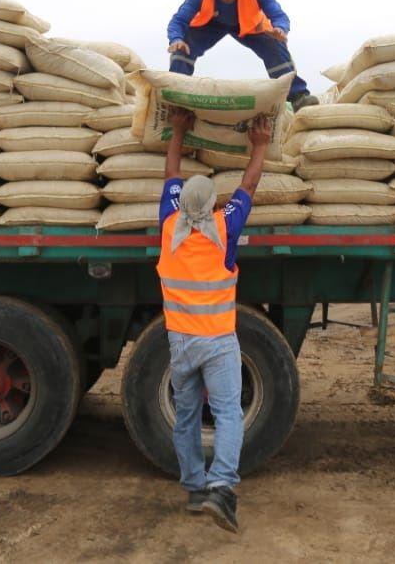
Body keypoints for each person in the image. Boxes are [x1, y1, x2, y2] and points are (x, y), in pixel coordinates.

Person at [156, 105, 271, 533]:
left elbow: (170, 176)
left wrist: (177, 134)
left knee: (186, 417)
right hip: (219, 342)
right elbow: (250, 184)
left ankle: (194, 488)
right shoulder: (225, 229)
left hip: (180, 343)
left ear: (182, 204)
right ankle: (222, 487)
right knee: (226, 413)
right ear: (212, 205)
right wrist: (259, 145)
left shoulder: (169, 228)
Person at [167, 0, 318, 111]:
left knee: (274, 45)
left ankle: (298, 97)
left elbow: (279, 16)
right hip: (211, 24)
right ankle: (173, 97)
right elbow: (178, 20)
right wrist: (175, 39)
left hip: (248, 24)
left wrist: (280, 28)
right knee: (182, 46)